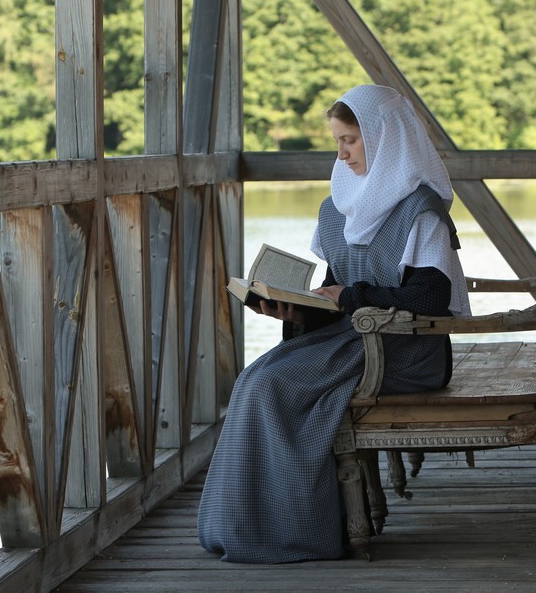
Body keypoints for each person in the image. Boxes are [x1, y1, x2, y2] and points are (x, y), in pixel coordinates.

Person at [197, 84, 472, 563]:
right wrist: (296, 311)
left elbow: (431, 297)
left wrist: (353, 297)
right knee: (253, 380)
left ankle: (298, 529)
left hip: (409, 353)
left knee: (273, 387)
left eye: (350, 140)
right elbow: (334, 289)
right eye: (338, 141)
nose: (342, 154)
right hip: (354, 341)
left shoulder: (420, 211)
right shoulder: (338, 208)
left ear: (385, 138)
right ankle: (244, 524)